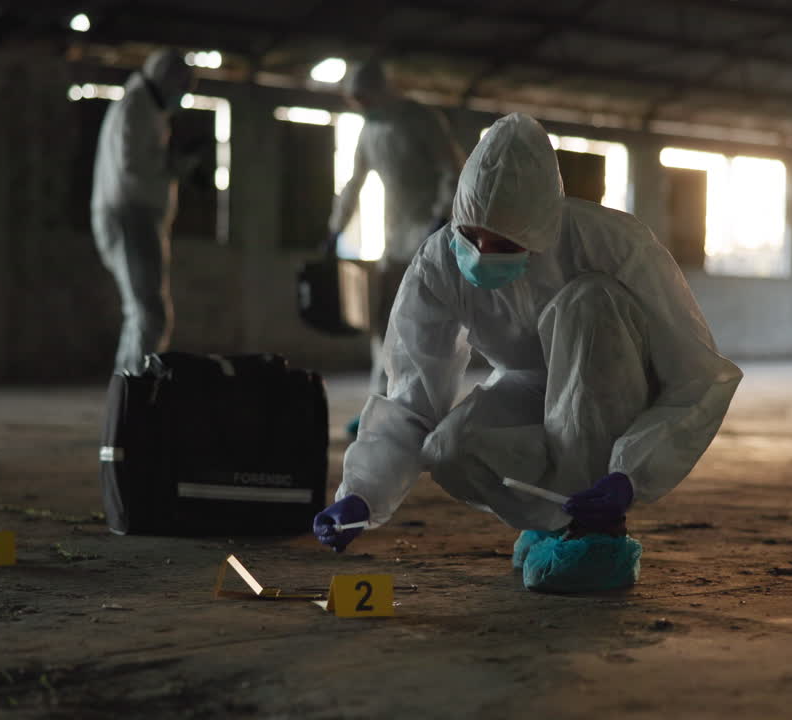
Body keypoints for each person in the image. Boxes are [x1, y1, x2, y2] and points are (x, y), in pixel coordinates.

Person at [313, 112, 743, 590]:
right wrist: (362, 495)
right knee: (451, 449)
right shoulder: (437, 261)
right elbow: (413, 391)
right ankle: (553, 523)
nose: (480, 253)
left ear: (543, 231)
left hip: (619, 380)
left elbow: (697, 375)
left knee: (588, 302)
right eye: (471, 235)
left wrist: (632, 473)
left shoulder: (616, 245)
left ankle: (599, 532)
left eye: (503, 244)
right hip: (527, 380)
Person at [328, 60, 466, 436]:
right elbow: (354, 182)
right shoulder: (369, 133)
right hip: (395, 239)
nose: (359, 104)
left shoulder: (421, 119)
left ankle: (422, 410)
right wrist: (334, 229)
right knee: (385, 322)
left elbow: (451, 170)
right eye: (354, 99)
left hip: (431, 234)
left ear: (381, 90)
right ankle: (380, 405)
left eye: (364, 96)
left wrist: (441, 218)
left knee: (423, 327)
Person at [91, 50, 195, 374]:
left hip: (135, 215)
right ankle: (135, 387)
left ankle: (127, 387)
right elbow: (133, 166)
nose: (183, 95)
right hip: (130, 214)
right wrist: (176, 164)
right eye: (183, 87)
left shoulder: (147, 109)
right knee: (149, 312)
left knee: (141, 311)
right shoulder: (136, 107)